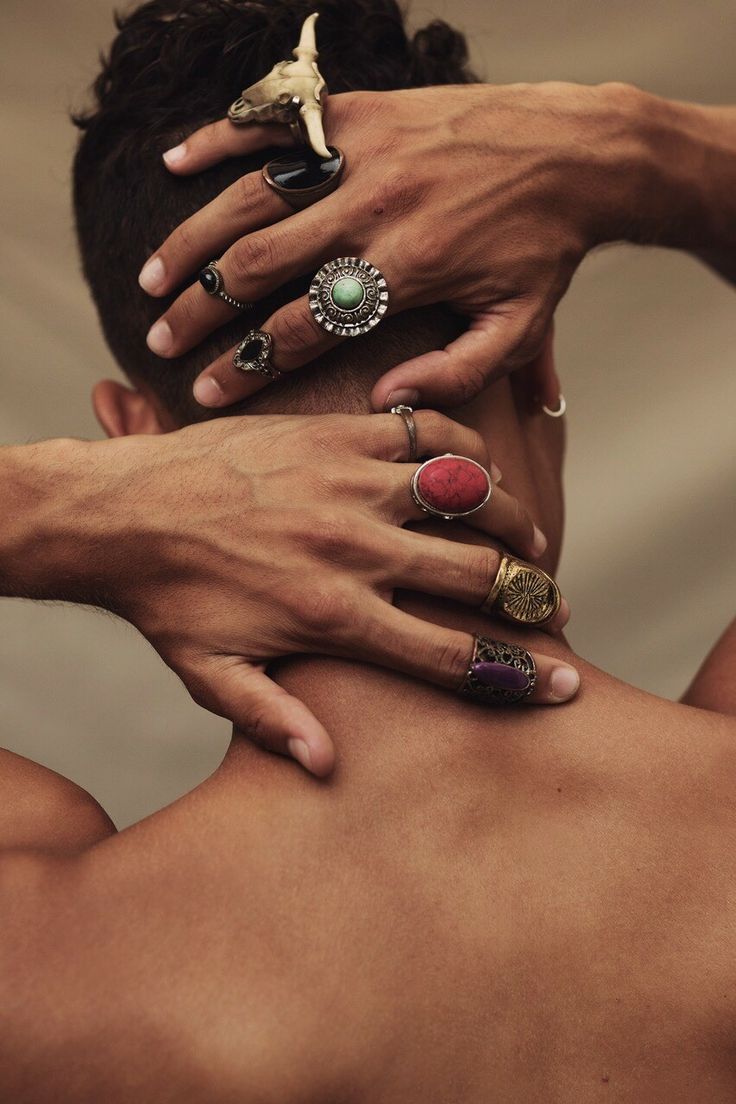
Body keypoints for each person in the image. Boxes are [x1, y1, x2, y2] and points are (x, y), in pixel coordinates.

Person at [1, 1, 734, 1100]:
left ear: (132, 440)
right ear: (533, 361)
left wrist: (48, 510)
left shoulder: (45, 948)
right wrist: (644, 152)